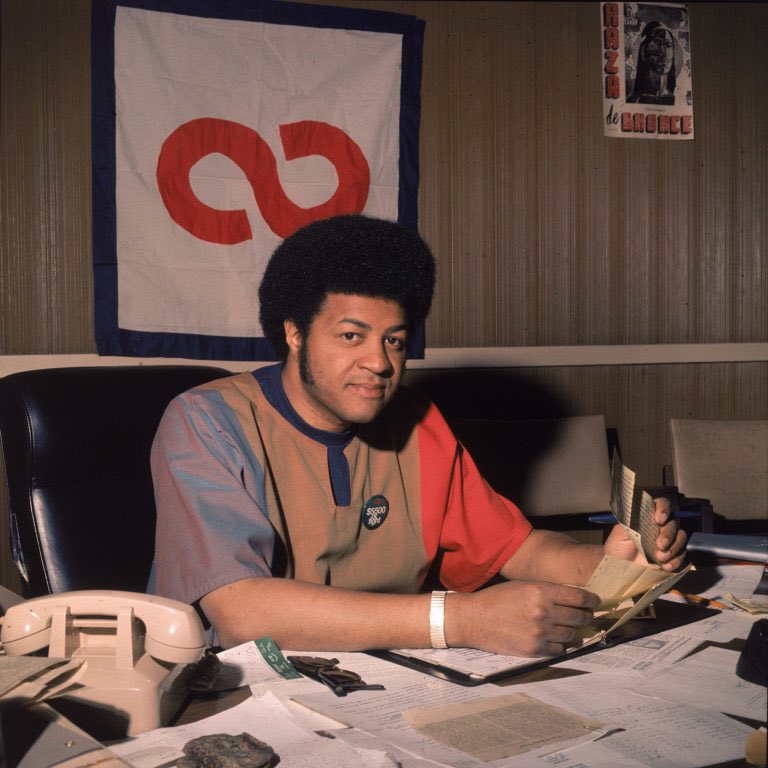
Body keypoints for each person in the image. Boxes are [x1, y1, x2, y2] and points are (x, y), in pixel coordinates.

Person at [149, 214, 686, 657]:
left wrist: (611, 568)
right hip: (236, 690)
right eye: (351, 336)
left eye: (395, 341)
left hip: (389, 678)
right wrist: (459, 620)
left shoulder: (417, 420)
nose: (379, 362)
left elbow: (517, 548)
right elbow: (240, 612)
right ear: (294, 333)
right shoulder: (205, 421)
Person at [627, 21, 677, 105]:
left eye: (668, 45)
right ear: (643, 51)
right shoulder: (632, 102)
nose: (663, 52)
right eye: (658, 43)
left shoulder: (679, 101)